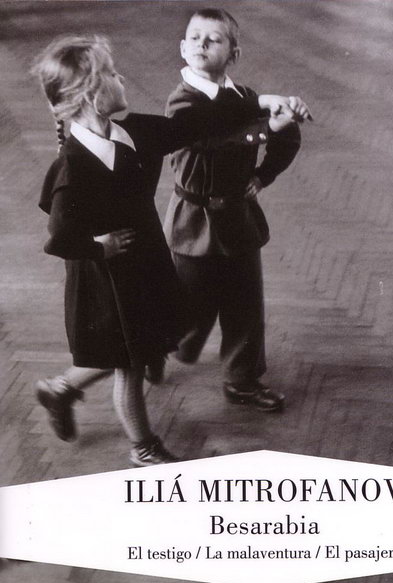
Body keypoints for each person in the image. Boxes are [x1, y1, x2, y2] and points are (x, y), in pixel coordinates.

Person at [32, 34, 309, 466]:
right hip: (106, 281)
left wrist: (262, 104)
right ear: (90, 95)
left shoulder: (135, 132)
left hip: (142, 262)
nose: (121, 78)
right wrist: (100, 246)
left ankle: (59, 389)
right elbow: (60, 238)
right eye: (111, 74)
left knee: (134, 347)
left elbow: (197, 125)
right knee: (129, 365)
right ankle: (143, 447)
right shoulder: (72, 166)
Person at [163, 8, 310, 411]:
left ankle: (243, 379)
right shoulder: (181, 102)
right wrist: (266, 123)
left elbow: (287, 136)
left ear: (234, 54)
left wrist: (263, 175)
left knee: (245, 304)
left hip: (238, 218)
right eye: (194, 37)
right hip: (193, 221)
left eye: (214, 39)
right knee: (189, 308)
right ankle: (159, 349)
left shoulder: (244, 97)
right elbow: (211, 135)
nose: (202, 44)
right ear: (183, 48)